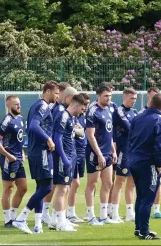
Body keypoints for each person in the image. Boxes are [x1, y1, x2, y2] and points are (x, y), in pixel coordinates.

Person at [13, 81, 59, 234]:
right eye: (56, 93)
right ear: (47, 91)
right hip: (41, 152)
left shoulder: (37, 105)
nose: (57, 96)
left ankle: (38, 225)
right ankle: (21, 218)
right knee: (47, 187)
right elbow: (33, 125)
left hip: (36, 151)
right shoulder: (42, 106)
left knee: (41, 187)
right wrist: (48, 138)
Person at [129, 92, 161, 240]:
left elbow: (130, 138)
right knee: (148, 197)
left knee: (140, 196)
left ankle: (138, 228)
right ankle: (144, 232)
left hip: (134, 160)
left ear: (151, 103)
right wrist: (159, 164)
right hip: (149, 163)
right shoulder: (160, 120)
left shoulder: (137, 117)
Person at [51, 93, 88, 231]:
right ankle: (60, 223)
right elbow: (57, 138)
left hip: (70, 156)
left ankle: (58, 219)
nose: (82, 112)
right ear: (76, 105)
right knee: (62, 189)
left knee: (66, 188)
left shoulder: (71, 118)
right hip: (64, 157)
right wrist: (64, 158)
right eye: (82, 109)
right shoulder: (63, 116)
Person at [42, 84, 77, 225]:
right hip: (59, 152)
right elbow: (57, 135)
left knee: (65, 185)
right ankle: (49, 215)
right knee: (57, 185)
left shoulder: (66, 111)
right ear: (68, 98)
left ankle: (59, 217)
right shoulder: (60, 111)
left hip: (69, 152)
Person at [84, 84, 118, 225]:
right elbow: (90, 136)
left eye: (110, 96)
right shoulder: (93, 111)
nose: (108, 99)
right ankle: (91, 216)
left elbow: (108, 133)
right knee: (92, 183)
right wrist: (99, 154)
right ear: (98, 95)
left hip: (107, 153)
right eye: (105, 96)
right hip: (95, 153)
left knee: (108, 183)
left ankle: (103, 216)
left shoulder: (109, 109)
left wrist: (113, 150)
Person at [0, 95, 28, 228]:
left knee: (23, 188)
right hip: (9, 160)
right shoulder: (6, 120)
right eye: (15, 105)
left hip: (19, 159)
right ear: (8, 106)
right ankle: (8, 219)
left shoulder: (20, 118)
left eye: (19, 104)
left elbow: (18, 139)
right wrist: (8, 155)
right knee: (8, 188)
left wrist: (22, 152)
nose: (18, 106)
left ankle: (14, 216)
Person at [110, 88, 138, 223]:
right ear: (125, 98)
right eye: (132, 99)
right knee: (120, 182)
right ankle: (114, 213)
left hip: (133, 151)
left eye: (135, 99)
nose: (134, 101)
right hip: (123, 151)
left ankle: (129, 213)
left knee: (132, 182)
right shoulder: (119, 111)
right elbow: (129, 128)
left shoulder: (134, 113)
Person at [67, 93, 91, 223]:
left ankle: (70, 212)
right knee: (73, 183)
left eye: (87, 104)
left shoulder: (84, 116)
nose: (86, 107)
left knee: (75, 183)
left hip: (81, 152)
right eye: (84, 104)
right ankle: (67, 213)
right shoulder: (72, 116)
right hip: (72, 153)